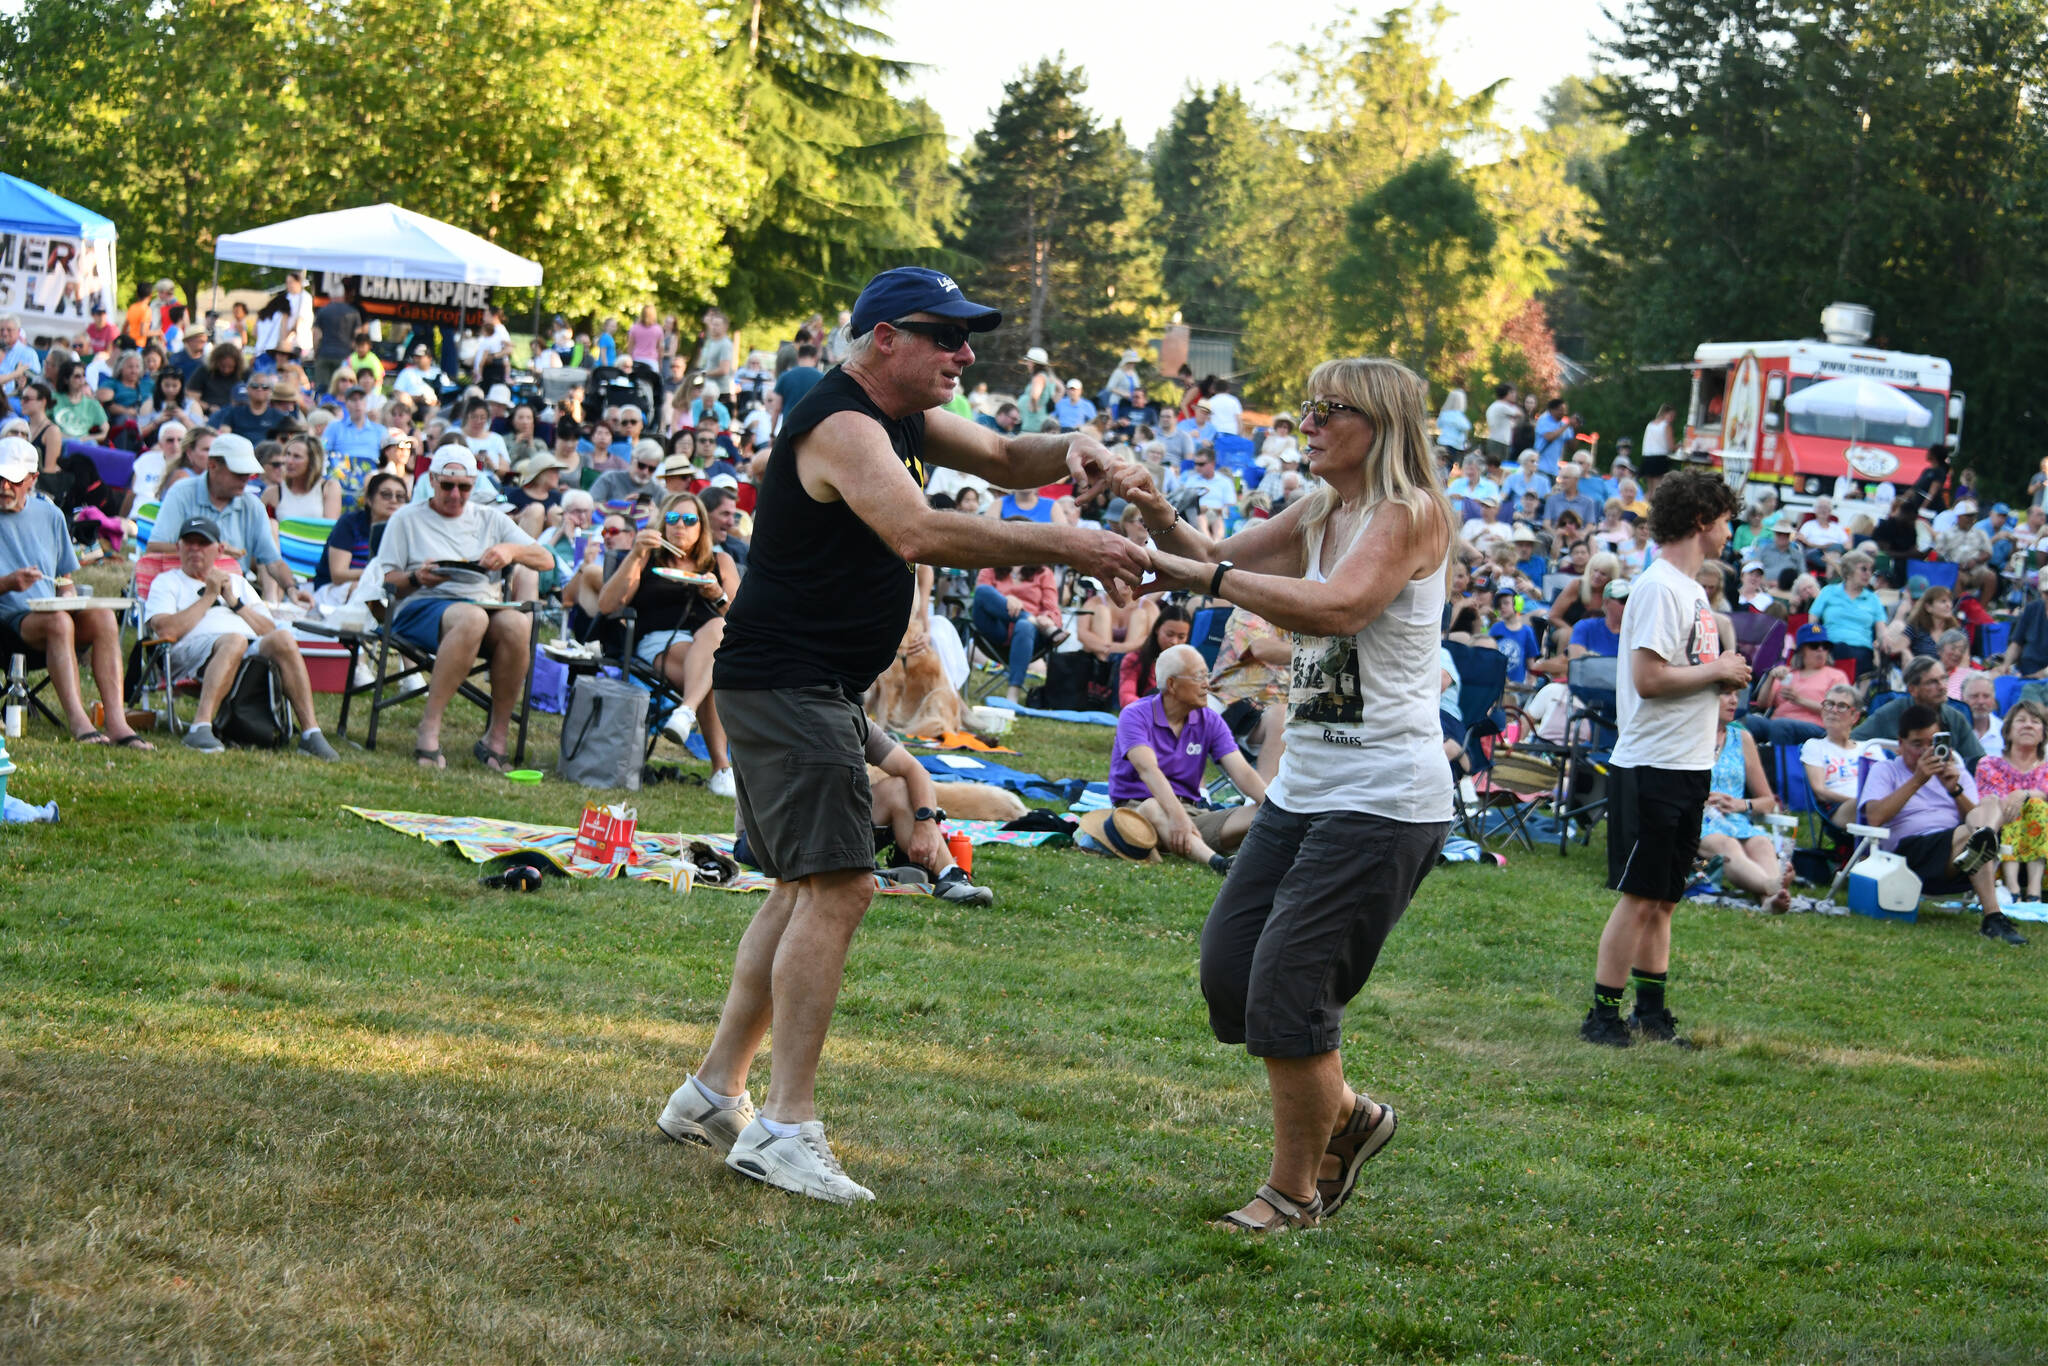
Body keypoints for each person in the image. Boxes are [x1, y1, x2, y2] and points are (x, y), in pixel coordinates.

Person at [663, 266, 1148, 1206]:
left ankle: (712, 1094)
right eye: (947, 337)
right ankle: (785, 1129)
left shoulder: (903, 418)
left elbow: (1011, 457)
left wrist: (1078, 445)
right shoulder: (842, 422)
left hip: (804, 682)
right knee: (843, 888)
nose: (966, 354)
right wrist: (1069, 544)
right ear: (885, 337)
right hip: (788, 682)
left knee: (803, 887)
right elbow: (917, 530)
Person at [1115, 356, 1454, 1234]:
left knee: (1288, 994)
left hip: (1383, 800)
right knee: (1230, 972)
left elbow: (1336, 609)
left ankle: (1294, 1191)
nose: (1306, 422)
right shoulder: (1322, 509)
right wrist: (1158, 520)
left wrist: (1207, 581)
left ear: (1377, 422)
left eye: (1326, 409)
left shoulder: (1407, 513)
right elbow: (1214, 558)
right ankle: (1348, 1115)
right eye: (1306, 408)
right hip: (1306, 789)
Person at [1583, 470, 1750, 1049]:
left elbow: (1679, 676)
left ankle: (1650, 1012)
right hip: (1651, 765)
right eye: (1726, 519)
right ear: (1703, 520)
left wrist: (1716, 684)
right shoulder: (1658, 587)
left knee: (1665, 898)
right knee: (1639, 895)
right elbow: (1649, 679)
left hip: (1685, 765)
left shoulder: (1693, 590)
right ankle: (1602, 1015)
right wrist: (1718, 671)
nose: (1730, 531)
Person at [359, 447, 555, 772]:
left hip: (482, 602)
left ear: (474, 486)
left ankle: (497, 737)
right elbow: (386, 578)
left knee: (518, 625)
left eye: (464, 488)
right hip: (421, 604)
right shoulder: (406, 518)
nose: (455, 494)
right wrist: (416, 577)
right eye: (447, 485)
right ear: (432, 480)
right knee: (471, 617)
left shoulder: (489, 517)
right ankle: (430, 727)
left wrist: (510, 550)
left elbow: (545, 559)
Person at [143, 515, 338, 759]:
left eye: (202, 543)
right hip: (190, 653)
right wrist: (209, 596)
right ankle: (199, 727)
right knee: (234, 639)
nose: (195, 549)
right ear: (178, 547)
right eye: (188, 542)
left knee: (284, 638)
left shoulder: (238, 582)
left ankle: (311, 733)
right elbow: (166, 630)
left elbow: (269, 629)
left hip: (245, 647)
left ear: (220, 550)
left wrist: (234, 603)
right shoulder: (166, 582)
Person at [0, 438, 152, 748]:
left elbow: (62, 578)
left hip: (46, 615)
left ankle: (117, 722)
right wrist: (7, 584)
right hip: (7, 624)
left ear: (32, 479)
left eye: (13, 480)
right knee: (59, 622)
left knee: (103, 618)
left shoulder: (50, 515)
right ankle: (79, 721)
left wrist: (69, 596)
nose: (4, 486)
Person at [596, 491, 739, 794]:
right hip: (659, 643)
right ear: (663, 523)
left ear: (702, 527)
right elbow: (608, 605)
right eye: (673, 518)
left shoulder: (719, 562)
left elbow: (743, 619)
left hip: (712, 641)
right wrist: (635, 554)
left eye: (690, 520)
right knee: (715, 671)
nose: (680, 526)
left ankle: (685, 711)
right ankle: (720, 769)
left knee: (717, 628)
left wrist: (718, 596)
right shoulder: (648, 558)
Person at [1859, 704, 2027, 945]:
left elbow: (1975, 814)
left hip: (1957, 856)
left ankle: (1983, 842)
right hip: (1909, 855)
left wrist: (1955, 790)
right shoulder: (1886, 770)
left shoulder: (1955, 771)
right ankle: (1993, 915)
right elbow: (1874, 817)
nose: (1927, 751)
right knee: (1970, 835)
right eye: (1917, 744)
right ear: (1900, 744)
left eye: (1934, 742)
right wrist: (1918, 779)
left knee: (1989, 803)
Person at [1108, 643, 1267, 872]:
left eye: (1207, 675)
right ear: (1171, 684)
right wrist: (1177, 817)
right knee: (1153, 807)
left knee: (1264, 814)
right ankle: (1218, 863)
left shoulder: (1209, 720)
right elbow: (1149, 771)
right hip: (1138, 812)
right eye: (1198, 677)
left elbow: (1242, 771)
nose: (1207, 684)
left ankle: (1182, 843)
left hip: (1193, 815)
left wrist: (1278, 810)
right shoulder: (1134, 715)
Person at [145, 434, 306, 604]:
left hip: (233, 595)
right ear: (213, 466)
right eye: (238, 473)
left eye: (248, 474)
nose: (245, 479)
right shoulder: (182, 493)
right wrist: (215, 551)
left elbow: (273, 562)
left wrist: (292, 589)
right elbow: (154, 548)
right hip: (185, 591)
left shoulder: (251, 505)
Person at [1697, 689, 1792, 911]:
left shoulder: (1742, 738)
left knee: (1761, 843)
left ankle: (1769, 900)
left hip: (1736, 821)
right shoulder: (1687, 736)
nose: (1734, 700)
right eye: (1725, 693)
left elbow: (1768, 801)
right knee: (1727, 845)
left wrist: (1742, 804)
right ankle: (1771, 885)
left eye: (1736, 695)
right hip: (1697, 821)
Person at [1974, 700, 2048, 903]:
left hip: (2042, 838)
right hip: (2000, 831)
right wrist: (2026, 795)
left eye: (2035, 721)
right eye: (2021, 720)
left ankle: (2034, 889)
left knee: (2035, 805)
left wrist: (2026, 794)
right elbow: (1994, 800)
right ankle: (2012, 885)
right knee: (2009, 805)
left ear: (2043, 733)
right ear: (2007, 731)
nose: (2028, 725)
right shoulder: (1989, 764)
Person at [1855, 655, 1983, 767]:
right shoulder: (1890, 712)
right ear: (1912, 690)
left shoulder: (1956, 718)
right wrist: (1886, 752)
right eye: (1932, 682)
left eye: (1944, 679)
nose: (1942, 686)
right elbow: (1853, 742)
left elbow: (1978, 760)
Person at [972, 560, 1060, 705]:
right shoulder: (990, 569)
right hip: (997, 631)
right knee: (982, 591)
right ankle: (1029, 618)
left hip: (1030, 637)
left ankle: (1013, 691)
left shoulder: (1043, 573)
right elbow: (983, 598)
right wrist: (1005, 599)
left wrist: (1047, 618)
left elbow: (1052, 610)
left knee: (1024, 625)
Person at [314, 470, 406, 605]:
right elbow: (338, 575)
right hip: (335, 590)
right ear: (369, 499)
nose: (393, 500)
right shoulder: (350, 523)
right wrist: (376, 575)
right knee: (366, 591)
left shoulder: (403, 530)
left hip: (379, 586)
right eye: (386, 495)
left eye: (400, 497)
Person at [1807, 549, 1888, 676]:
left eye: (1870, 571)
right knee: (1841, 650)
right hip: (1830, 648)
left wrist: (1884, 641)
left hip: (1862, 651)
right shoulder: (1829, 591)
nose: (1868, 574)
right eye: (1863, 569)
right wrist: (1818, 641)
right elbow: (1813, 622)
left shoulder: (1873, 599)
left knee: (1856, 656)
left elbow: (1882, 630)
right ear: (1849, 571)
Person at [1119, 604, 1191, 707]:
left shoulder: (1190, 664)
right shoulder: (1134, 659)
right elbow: (1126, 696)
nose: (1174, 642)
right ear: (1157, 629)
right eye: (1169, 634)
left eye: (1181, 637)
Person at [262, 432, 340, 521]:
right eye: (287, 454)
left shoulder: (329, 487)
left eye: (297, 456)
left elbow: (330, 528)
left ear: (311, 461)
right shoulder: (273, 492)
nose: (289, 461)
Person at [1483, 383, 1519, 461]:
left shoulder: (1495, 405)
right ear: (1507, 394)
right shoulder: (1503, 406)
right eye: (1512, 393)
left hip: (1495, 440)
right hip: (1500, 443)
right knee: (1498, 468)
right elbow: (1519, 413)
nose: (1514, 395)